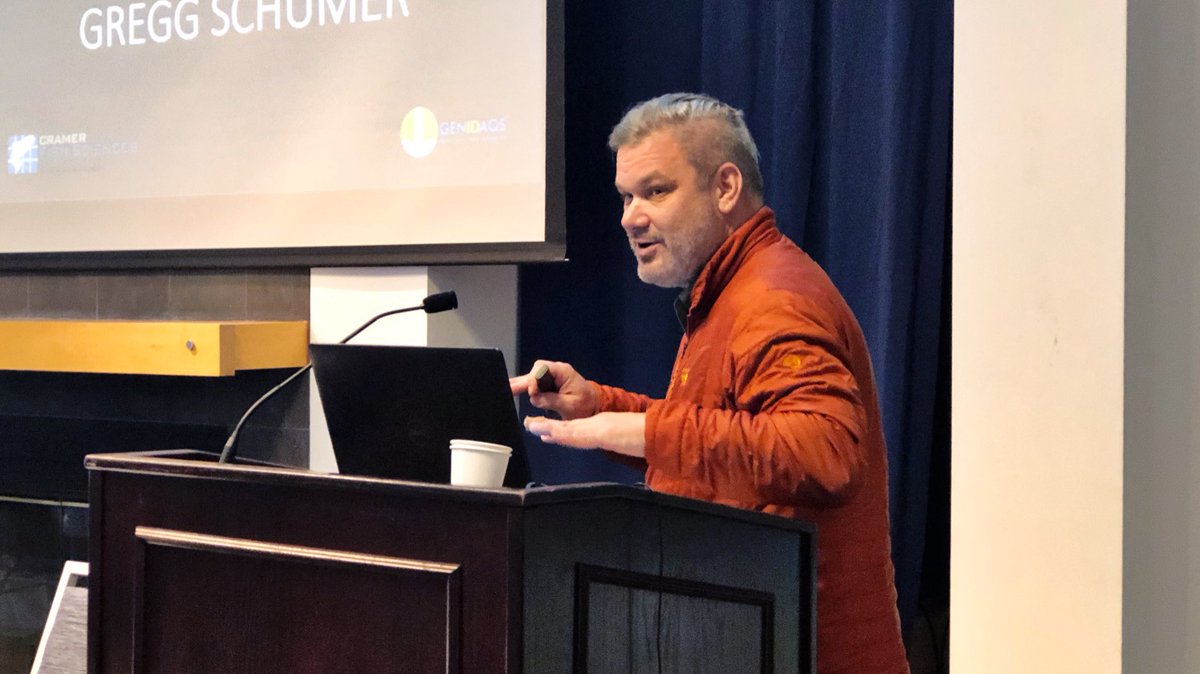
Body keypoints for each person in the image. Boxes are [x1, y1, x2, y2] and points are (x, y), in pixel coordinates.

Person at [510, 93, 908, 672]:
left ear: (725, 187)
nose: (629, 217)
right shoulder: (731, 287)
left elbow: (823, 452)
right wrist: (602, 407)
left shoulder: (773, 298)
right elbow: (723, 440)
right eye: (625, 196)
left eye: (656, 190)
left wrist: (646, 430)